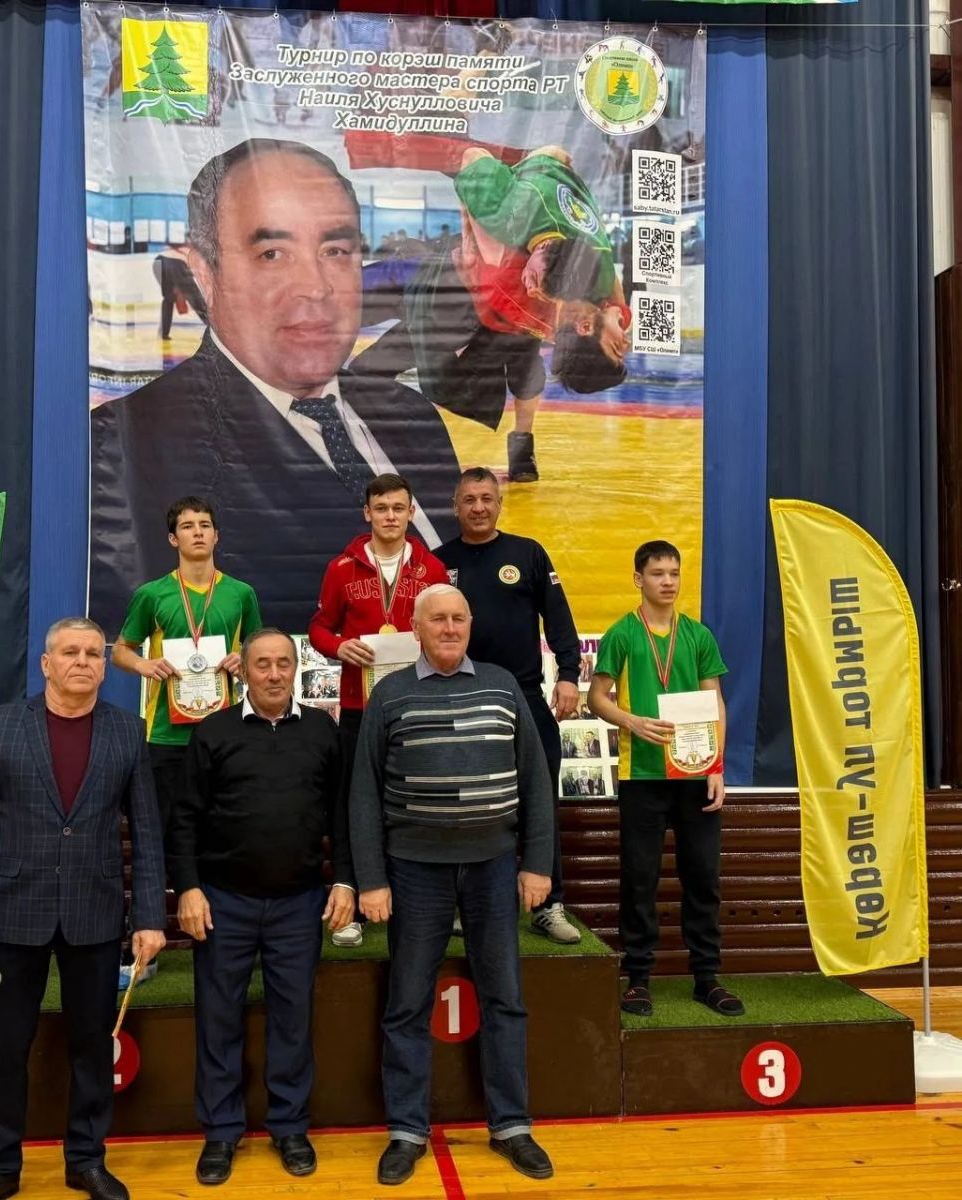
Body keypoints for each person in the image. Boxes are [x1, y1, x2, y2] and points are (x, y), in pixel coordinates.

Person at [90, 138, 460, 637]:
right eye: (272, 254)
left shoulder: (413, 417)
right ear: (205, 274)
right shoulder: (129, 444)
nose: (316, 287)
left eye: (335, 250)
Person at [0, 618, 166, 1200]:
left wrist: (149, 917)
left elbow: (147, 833)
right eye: (70, 652)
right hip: (11, 915)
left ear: (104, 667)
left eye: (94, 653)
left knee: (92, 1047)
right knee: (3, 1049)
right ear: (47, 664)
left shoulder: (127, 731)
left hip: (95, 914)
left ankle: (86, 1160)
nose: (83, 661)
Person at [350, 584, 555, 1186]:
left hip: (494, 868)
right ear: (416, 629)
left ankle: (511, 1125)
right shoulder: (390, 693)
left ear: (470, 624)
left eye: (458, 618)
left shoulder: (502, 686)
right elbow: (363, 793)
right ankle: (406, 1130)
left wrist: (537, 864)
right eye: (436, 618)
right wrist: (371, 880)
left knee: (504, 998)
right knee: (408, 1002)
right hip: (414, 871)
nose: (448, 627)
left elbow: (536, 781)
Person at [167, 628, 354, 1186]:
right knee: (218, 1018)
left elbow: (343, 815)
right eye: (263, 664)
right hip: (223, 902)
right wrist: (188, 888)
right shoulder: (214, 731)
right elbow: (183, 819)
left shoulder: (322, 730)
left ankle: (290, 1127)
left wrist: (345, 882)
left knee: (292, 1019)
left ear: (297, 668)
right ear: (243, 671)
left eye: (283, 664)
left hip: (300, 902)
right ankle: (221, 1132)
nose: (274, 674)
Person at [349, 143, 629, 483]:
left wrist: (551, 163)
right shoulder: (507, 237)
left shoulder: (595, 277)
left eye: (618, 347)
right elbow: (482, 160)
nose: (625, 340)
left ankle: (521, 443)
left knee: (520, 362)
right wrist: (470, 234)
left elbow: (558, 157)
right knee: (380, 332)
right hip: (455, 287)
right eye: (620, 347)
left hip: (486, 303)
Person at [587, 541, 744, 1019]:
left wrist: (716, 766)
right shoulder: (621, 633)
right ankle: (637, 979)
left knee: (703, 877)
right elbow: (597, 698)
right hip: (642, 776)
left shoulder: (697, 634)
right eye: (658, 573)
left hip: (695, 772)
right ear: (639, 579)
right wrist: (631, 721)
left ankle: (706, 978)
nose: (668, 581)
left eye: (674, 572)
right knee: (640, 879)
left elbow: (715, 701)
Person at [110, 495, 262, 984]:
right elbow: (120, 650)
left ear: (217, 535)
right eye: (188, 526)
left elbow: (260, 653)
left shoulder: (240, 594)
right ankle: (143, 949)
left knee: (227, 838)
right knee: (155, 843)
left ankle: (231, 939)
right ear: (173, 538)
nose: (198, 532)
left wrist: (244, 662)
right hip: (165, 737)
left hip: (226, 736)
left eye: (205, 524)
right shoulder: (152, 595)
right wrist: (145, 665)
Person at [437, 468, 582, 945]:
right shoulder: (438, 563)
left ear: (499, 504)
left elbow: (558, 618)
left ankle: (548, 905)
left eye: (487, 498)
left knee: (540, 801)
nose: (478, 507)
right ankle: (461, 904)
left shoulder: (528, 553)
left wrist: (568, 674)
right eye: (469, 500)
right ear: (455, 507)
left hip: (523, 698)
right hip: (458, 700)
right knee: (460, 801)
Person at [308, 472, 449, 947]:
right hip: (359, 707)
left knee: (417, 801)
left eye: (398, 508)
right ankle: (349, 903)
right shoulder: (341, 568)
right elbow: (320, 627)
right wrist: (339, 647)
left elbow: (445, 631)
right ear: (367, 513)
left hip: (417, 709)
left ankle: (421, 901)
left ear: (412, 513)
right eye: (382, 508)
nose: (390, 516)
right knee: (355, 803)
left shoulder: (431, 568)